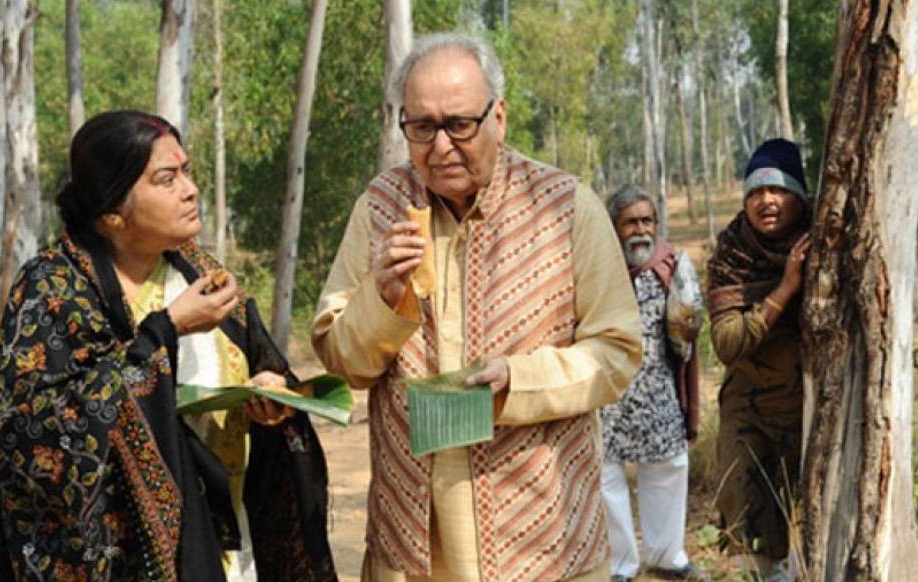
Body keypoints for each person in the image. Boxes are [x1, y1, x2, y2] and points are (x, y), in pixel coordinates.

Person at [312, 33, 642, 581]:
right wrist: (383, 295)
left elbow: (617, 352)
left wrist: (518, 380)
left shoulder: (564, 208)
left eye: (459, 124)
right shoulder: (380, 208)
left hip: (542, 538)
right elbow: (342, 359)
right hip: (412, 542)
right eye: (421, 127)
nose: (440, 147)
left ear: (500, 118)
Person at [0, 110, 336, 581]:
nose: (190, 189)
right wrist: (166, 330)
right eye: (166, 179)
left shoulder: (199, 272)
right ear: (113, 212)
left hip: (229, 547)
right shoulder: (52, 291)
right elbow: (29, 440)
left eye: (187, 172)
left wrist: (274, 399)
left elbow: (268, 367)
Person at [706, 138, 812, 581]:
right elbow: (728, 343)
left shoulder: (825, 244)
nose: (766, 201)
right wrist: (786, 288)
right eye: (755, 192)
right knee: (750, 544)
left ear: (800, 197)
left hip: (808, 415)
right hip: (748, 417)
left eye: (780, 190)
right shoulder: (732, 254)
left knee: (808, 536)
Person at [600, 186, 708, 582]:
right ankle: (619, 565)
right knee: (605, 474)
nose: (640, 230)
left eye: (647, 221)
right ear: (614, 227)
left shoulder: (673, 264)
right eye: (631, 222)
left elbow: (687, 328)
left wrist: (689, 321)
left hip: (656, 388)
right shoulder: (597, 265)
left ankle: (667, 556)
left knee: (668, 468)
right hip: (607, 391)